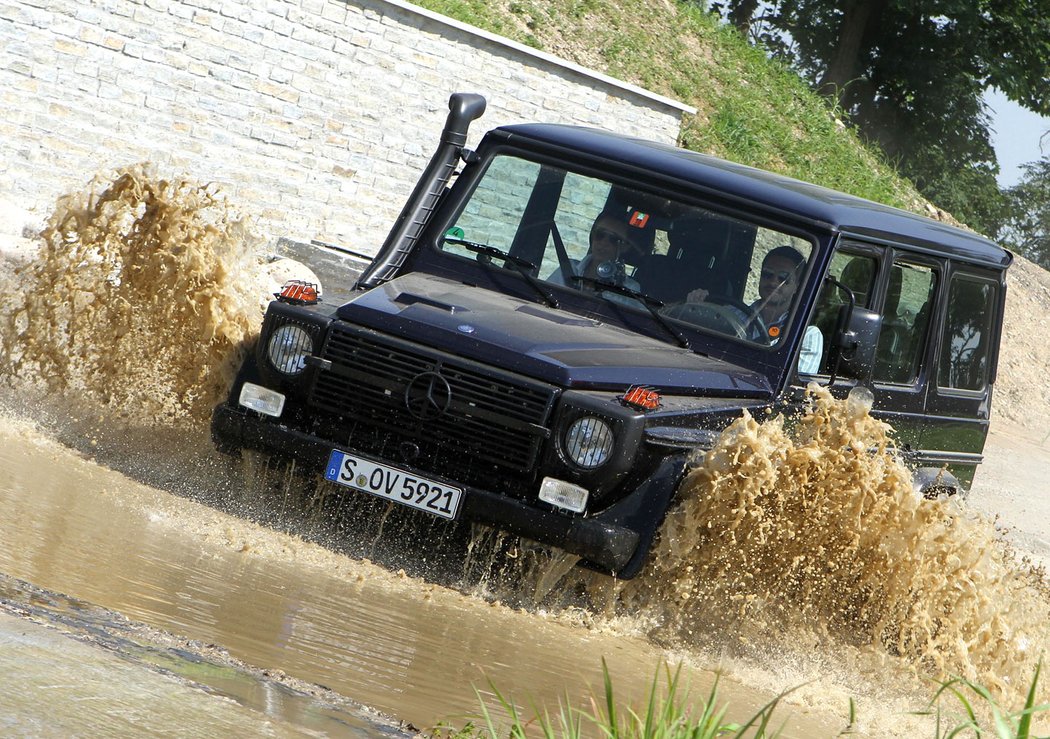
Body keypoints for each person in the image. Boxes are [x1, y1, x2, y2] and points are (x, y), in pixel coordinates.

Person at [682, 245, 823, 372]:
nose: (774, 282)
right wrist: (695, 307)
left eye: (783, 279)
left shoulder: (806, 335)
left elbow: (794, 388)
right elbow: (697, 351)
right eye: (767, 274)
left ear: (797, 286)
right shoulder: (730, 314)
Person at [547, 210, 643, 297]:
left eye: (613, 239)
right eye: (600, 234)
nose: (604, 242)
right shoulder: (567, 268)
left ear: (625, 247)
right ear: (592, 236)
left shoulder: (629, 288)